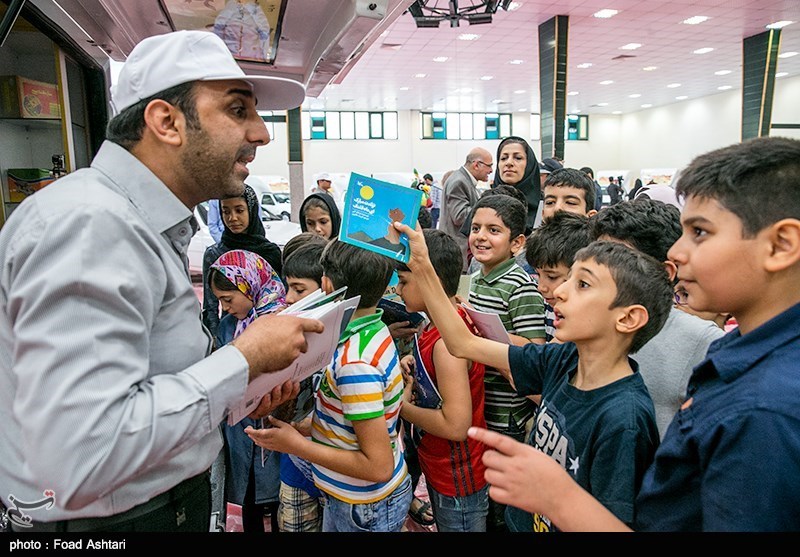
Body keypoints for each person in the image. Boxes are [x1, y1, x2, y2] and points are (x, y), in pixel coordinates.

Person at [0, 29, 322, 532]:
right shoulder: (90, 226)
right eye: (239, 111)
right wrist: (242, 361)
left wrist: (242, 389)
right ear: (166, 122)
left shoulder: (139, 224)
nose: (261, 133)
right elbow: (81, 455)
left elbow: (143, 387)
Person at [468, 136, 800, 531]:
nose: (676, 253)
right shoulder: (742, 351)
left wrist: (561, 497)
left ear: (780, 245)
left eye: (700, 233)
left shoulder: (766, 409)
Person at [395, 223, 671, 532]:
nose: (558, 291)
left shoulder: (624, 418)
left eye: (582, 284)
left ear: (627, 317)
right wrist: (420, 262)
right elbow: (463, 343)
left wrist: (556, 494)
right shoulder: (563, 360)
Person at [246, 240, 413, 532]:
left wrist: (297, 446)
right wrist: (304, 428)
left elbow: (378, 466)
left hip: (364, 507)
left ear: (326, 283)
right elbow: (348, 420)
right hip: (353, 499)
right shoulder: (369, 329)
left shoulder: (355, 363)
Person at [589, 198, 725, 438]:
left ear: (664, 272)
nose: (602, 271)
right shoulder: (587, 322)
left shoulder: (702, 340)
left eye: (618, 260)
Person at [395, 229, 489, 532]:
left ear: (428, 279)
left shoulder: (446, 344)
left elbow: (456, 425)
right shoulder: (436, 325)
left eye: (404, 281)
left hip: (457, 479)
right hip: (441, 468)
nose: (398, 290)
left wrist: (402, 409)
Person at [466, 194, 546, 531]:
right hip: (484, 403)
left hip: (509, 410)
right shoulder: (477, 278)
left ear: (516, 244)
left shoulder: (520, 286)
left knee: (504, 493)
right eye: (475, 228)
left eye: (493, 230)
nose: (481, 236)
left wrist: (484, 341)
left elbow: (534, 351)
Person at [209, 249, 287, 532]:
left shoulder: (281, 322)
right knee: (247, 499)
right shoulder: (228, 326)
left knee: (280, 507)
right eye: (219, 301)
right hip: (239, 432)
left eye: (228, 300)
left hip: (275, 431)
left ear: (249, 285)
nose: (225, 308)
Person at [277, 241, 328, 532]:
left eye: (298, 289)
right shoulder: (283, 339)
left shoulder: (349, 343)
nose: (287, 298)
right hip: (294, 470)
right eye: (288, 288)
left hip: (337, 472)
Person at [202, 184, 282, 338]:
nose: (232, 218)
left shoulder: (269, 252)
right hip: (230, 334)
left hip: (269, 331)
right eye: (226, 212)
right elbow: (210, 307)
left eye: (239, 210)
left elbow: (279, 295)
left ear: (251, 210)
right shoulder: (215, 254)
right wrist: (215, 340)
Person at [525, 211, 592, 341]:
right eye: (538, 275)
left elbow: (543, 358)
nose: (541, 287)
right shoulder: (547, 305)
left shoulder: (582, 321)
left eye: (552, 277)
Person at [440, 147, 494, 272]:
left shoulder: (462, 179)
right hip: (458, 252)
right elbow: (460, 216)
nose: (491, 170)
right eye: (489, 166)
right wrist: (485, 208)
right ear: (476, 165)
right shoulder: (459, 181)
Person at [491, 136, 541, 235]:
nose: (509, 163)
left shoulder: (544, 205)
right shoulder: (485, 201)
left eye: (518, 158)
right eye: (504, 158)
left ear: (529, 165)